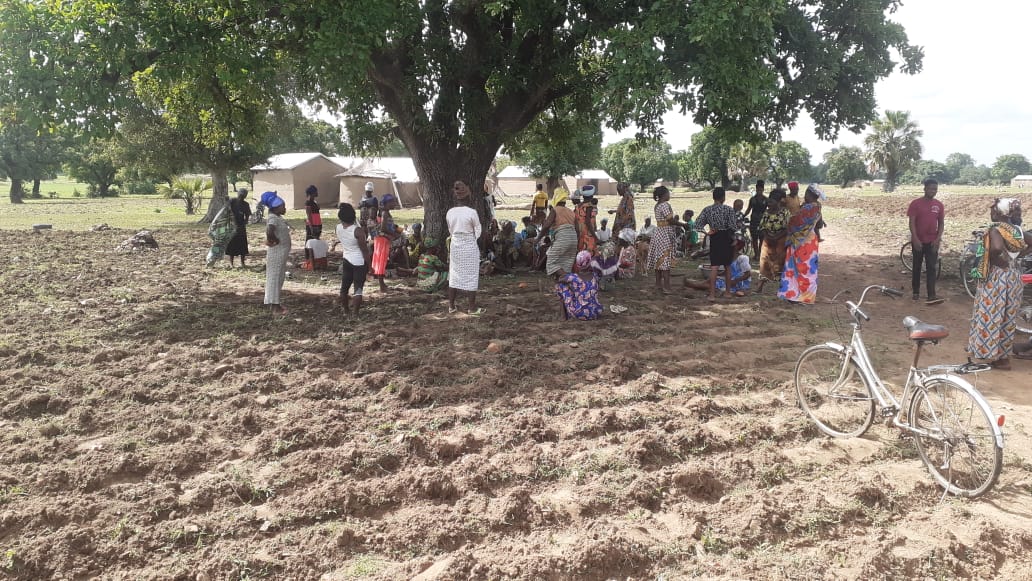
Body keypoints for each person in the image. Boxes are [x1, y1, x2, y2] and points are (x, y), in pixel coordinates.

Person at [967, 198, 1032, 369]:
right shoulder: (1017, 230)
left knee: (991, 314)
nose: (991, 213)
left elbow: (996, 248)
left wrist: (998, 260)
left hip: (997, 277)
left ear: (998, 213)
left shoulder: (996, 229)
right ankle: (1003, 357)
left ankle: (989, 353)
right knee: (1007, 317)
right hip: (1014, 276)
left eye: (993, 210)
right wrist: (1018, 256)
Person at [778, 185, 823, 304]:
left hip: (800, 242)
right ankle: (806, 296)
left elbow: (794, 223)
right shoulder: (818, 206)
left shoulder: (807, 208)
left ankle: (794, 295)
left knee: (796, 267)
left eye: (806, 193)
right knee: (809, 269)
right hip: (811, 241)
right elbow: (819, 225)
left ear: (809, 194)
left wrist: (789, 222)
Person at [447, 180, 484, 314]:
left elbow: (450, 230)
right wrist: (471, 239)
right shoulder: (472, 212)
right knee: (471, 275)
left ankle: (451, 306)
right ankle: (471, 308)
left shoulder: (450, 212)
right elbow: (478, 231)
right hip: (469, 245)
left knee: (454, 274)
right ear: (469, 196)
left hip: (455, 245)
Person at [695, 187, 738, 299]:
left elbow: (697, 224)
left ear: (713, 197)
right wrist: (734, 239)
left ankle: (712, 295)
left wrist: (707, 233)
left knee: (714, 266)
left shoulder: (707, 210)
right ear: (723, 197)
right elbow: (733, 227)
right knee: (727, 266)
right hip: (727, 238)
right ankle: (728, 293)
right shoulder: (729, 210)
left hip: (714, 237)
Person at [908, 178, 945, 304]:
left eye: (935, 189)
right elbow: (912, 222)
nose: (933, 191)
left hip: (932, 241)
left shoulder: (939, 205)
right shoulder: (915, 204)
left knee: (931, 267)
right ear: (925, 189)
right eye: (930, 188)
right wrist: (915, 238)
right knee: (916, 266)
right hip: (918, 240)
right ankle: (916, 292)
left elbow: (941, 223)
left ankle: (931, 294)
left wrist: (937, 239)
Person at [335, 203, 371, 316]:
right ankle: (355, 313)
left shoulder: (338, 227)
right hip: (359, 262)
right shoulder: (358, 231)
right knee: (358, 289)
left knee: (344, 288)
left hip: (346, 259)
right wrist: (370, 266)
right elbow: (365, 250)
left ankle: (346, 311)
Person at [686, 238, 752, 296]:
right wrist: (719, 274)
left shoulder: (742, 258)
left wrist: (735, 281)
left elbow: (748, 274)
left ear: (737, 247)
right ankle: (697, 285)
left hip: (740, 283)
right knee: (713, 279)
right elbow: (729, 271)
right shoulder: (730, 257)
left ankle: (696, 285)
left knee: (714, 283)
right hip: (731, 280)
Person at [646, 185, 680, 294]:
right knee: (665, 260)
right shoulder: (664, 205)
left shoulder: (657, 205)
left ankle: (658, 285)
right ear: (664, 195)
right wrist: (683, 224)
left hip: (658, 233)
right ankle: (666, 286)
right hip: (664, 234)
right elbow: (670, 220)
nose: (669, 195)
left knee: (659, 259)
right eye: (668, 193)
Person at [261, 191, 291, 315]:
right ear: (276, 207)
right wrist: (274, 240)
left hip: (280, 253)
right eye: (283, 206)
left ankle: (275, 303)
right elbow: (269, 230)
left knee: (278, 278)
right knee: (275, 278)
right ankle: (275, 307)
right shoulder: (273, 218)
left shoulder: (277, 217)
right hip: (277, 253)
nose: (285, 208)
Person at [537, 188, 578, 277]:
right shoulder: (571, 212)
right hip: (573, 238)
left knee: (551, 262)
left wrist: (538, 238)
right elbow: (577, 229)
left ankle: (571, 279)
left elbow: (546, 225)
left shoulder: (555, 210)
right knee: (566, 264)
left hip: (563, 237)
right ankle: (566, 283)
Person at [756, 189, 791, 292]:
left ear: (778, 202)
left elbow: (788, 228)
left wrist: (777, 237)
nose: (769, 204)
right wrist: (769, 237)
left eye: (771, 202)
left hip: (780, 242)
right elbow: (762, 227)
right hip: (768, 243)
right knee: (764, 264)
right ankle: (759, 286)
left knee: (781, 264)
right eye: (769, 202)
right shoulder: (766, 213)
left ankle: (783, 288)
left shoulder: (785, 212)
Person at [555, 251, 604, 321]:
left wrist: (570, 283)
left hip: (579, 314)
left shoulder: (573, 277)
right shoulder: (595, 276)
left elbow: (560, 279)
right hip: (595, 312)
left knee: (561, 285)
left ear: (577, 264)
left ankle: (563, 316)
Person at [371, 193, 401, 292]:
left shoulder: (385, 212)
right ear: (387, 203)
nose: (394, 204)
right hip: (382, 240)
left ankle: (382, 283)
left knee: (382, 260)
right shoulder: (385, 213)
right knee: (381, 260)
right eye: (392, 202)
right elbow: (383, 228)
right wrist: (394, 234)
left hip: (382, 239)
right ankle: (381, 286)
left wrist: (395, 229)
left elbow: (387, 225)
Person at [227, 188, 252, 267]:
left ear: (245, 196)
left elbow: (247, 216)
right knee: (232, 244)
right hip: (232, 226)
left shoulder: (246, 204)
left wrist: (244, 223)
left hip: (241, 227)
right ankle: (231, 263)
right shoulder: (232, 201)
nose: (241, 196)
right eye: (241, 194)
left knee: (242, 245)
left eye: (243, 195)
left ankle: (242, 263)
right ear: (238, 194)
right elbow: (227, 210)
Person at [744, 180, 768, 259]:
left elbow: (770, 209)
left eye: (761, 190)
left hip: (763, 221)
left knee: (762, 238)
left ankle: (760, 254)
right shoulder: (752, 199)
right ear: (756, 189)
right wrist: (743, 216)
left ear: (763, 190)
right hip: (754, 220)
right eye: (758, 190)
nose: (759, 191)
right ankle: (756, 254)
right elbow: (748, 209)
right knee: (754, 238)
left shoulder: (766, 199)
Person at [574, 185, 598, 254]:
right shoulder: (589, 206)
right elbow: (588, 222)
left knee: (581, 254)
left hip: (580, 234)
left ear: (583, 196)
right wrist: (595, 236)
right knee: (589, 254)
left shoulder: (578, 206)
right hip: (588, 235)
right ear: (591, 196)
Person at [303, 185, 322, 249]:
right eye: (315, 192)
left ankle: (315, 253)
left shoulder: (314, 202)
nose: (317, 193)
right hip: (312, 224)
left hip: (317, 223)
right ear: (311, 193)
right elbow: (309, 215)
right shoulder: (308, 202)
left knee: (315, 239)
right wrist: (311, 227)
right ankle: (308, 253)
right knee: (309, 239)